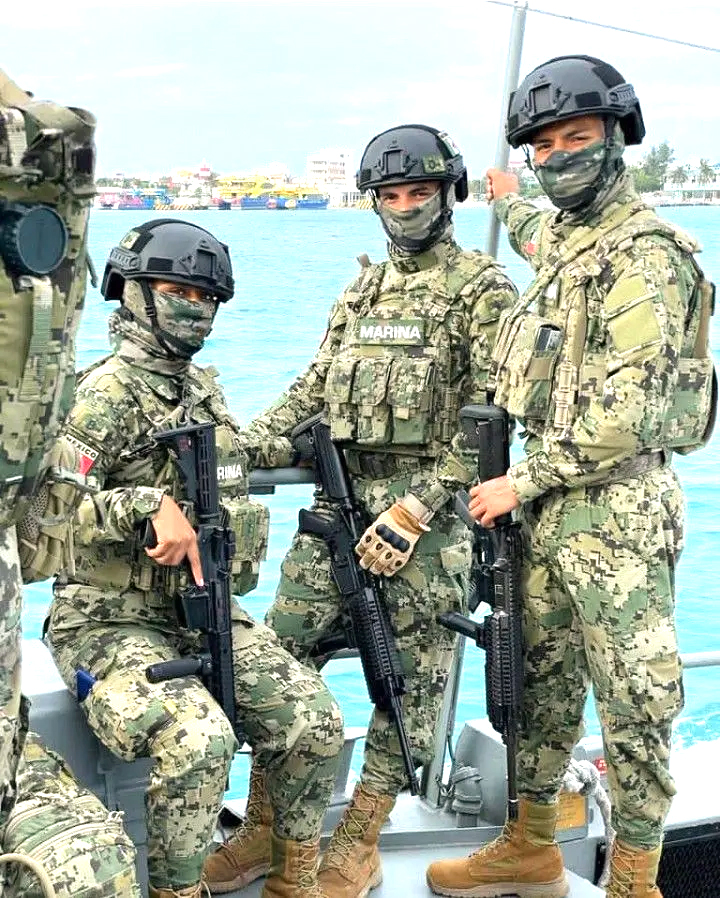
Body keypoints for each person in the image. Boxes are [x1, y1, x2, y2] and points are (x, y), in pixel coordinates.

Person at [426, 55, 717, 898]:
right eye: (543, 146)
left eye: (576, 137)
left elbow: (635, 409)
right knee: (539, 685)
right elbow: (534, 229)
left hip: (616, 511)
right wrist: (505, 194)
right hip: (549, 514)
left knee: (634, 701)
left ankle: (634, 881)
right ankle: (529, 844)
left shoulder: (649, 256)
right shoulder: (570, 238)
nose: (559, 157)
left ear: (618, 137)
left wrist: (521, 482)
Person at [203, 124, 518, 898]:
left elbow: (491, 419)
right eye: (392, 196)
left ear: (449, 195)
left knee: (404, 687)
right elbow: (313, 388)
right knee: (279, 662)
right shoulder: (362, 292)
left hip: (423, 529)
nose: (406, 208)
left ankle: (358, 841)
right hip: (335, 516)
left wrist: (417, 509)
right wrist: (241, 448)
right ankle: (265, 825)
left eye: (420, 193)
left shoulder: (482, 290)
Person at [42, 219, 345, 898]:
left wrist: (301, 447)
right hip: (106, 621)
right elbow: (42, 509)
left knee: (315, 721)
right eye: (177, 292)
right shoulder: (103, 394)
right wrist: (143, 505)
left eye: (206, 297)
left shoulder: (198, 390)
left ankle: (293, 880)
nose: (195, 308)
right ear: (133, 292)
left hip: (203, 610)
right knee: (199, 741)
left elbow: (230, 457)